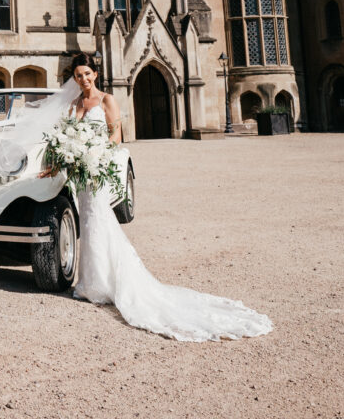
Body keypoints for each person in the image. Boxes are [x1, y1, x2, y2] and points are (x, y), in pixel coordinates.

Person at [38, 52, 273, 342]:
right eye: (78, 76)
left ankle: (102, 286)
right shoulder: (75, 104)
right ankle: (90, 282)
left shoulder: (107, 100)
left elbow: (116, 135)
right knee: (87, 223)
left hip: (97, 167)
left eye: (87, 74)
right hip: (83, 173)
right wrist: (63, 160)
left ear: (95, 74)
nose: (83, 79)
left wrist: (95, 153)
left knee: (97, 219)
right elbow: (69, 136)